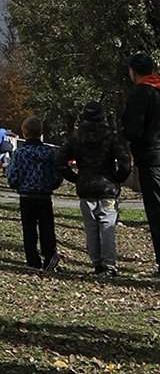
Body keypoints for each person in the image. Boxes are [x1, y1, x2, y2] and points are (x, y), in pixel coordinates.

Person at [60, 100, 133, 276]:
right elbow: (125, 161)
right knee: (107, 227)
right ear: (102, 115)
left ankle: (97, 263)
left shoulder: (76, 137)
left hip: (85, 186)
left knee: (91, 228)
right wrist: (117, 178)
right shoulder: (111, 135)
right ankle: (109, 264)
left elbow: (60, 161)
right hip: (107, 186)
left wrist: (76, 178)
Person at [4, 114, 62, 271]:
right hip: (44, 194)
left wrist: (15, 184)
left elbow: (13, 174)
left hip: (26, 195)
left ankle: (32, 260)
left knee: (29, 229)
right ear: (41, 132)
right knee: (47, 228)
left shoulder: (20, 153)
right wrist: (52, 185)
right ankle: (49, 256)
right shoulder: (50, 153)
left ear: (25, 133)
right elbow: (57, 173)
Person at [120, 54, 160, 274]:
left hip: (151, 157)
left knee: (156, 210)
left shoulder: (141, 94)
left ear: (133, 71)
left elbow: (133, 129)